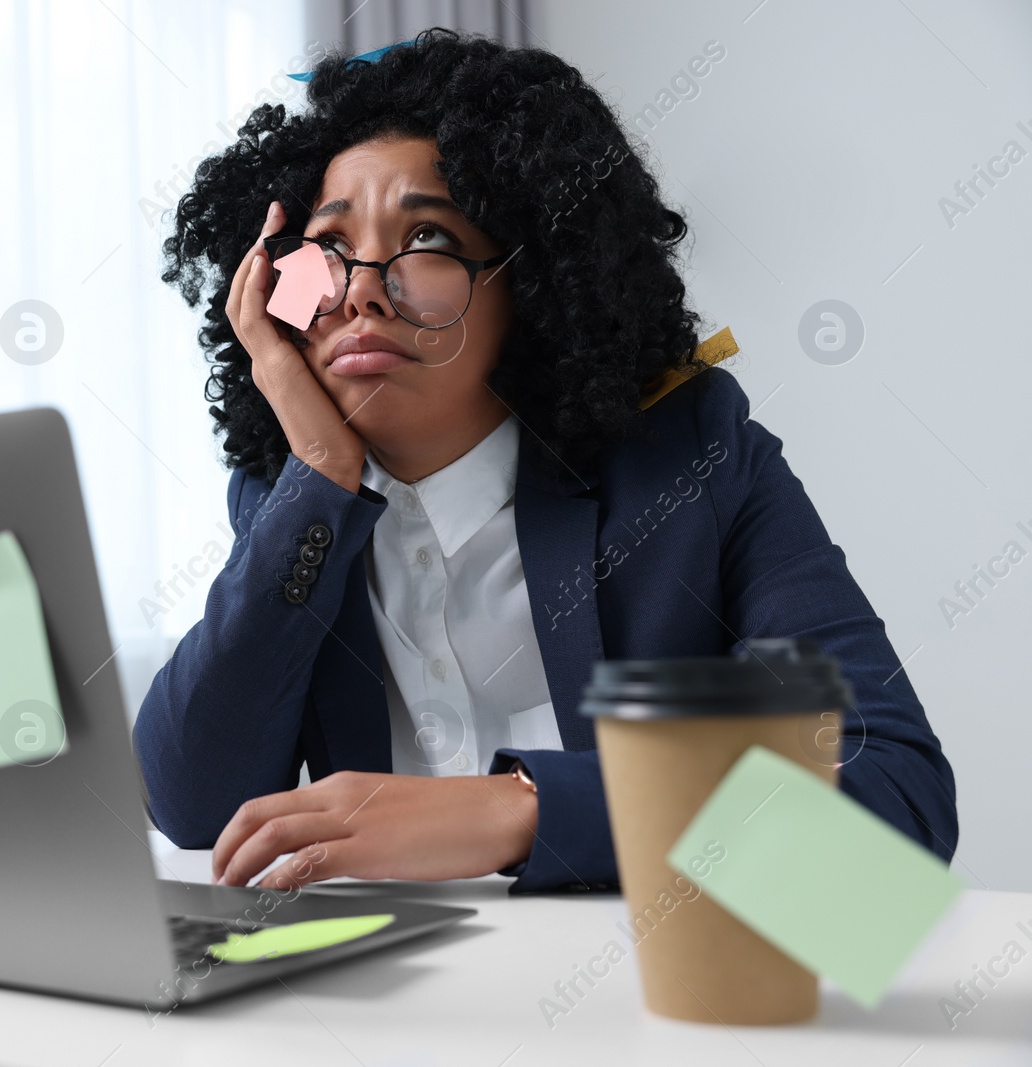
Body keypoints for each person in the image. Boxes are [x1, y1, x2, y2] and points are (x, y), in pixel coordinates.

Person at [132, 29, 956, 893]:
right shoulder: (294, 499)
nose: (361, 288)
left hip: (648, 996)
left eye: (431, 242)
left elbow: (894, 797)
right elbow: (193, 801)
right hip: (390, 992)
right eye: (326, 250)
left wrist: (521, 808)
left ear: (535, 285)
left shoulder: (690, 459)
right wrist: (319, 471)